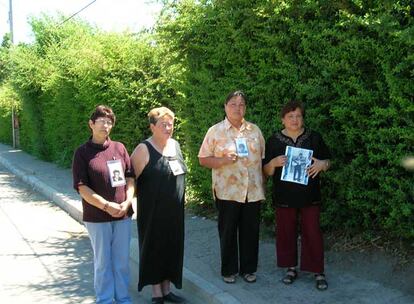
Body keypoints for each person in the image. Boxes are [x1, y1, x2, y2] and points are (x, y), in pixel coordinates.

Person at [263, 100, 331, 291]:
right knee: (286, 232)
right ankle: (290, 268)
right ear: (283, 119)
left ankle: (317, 270)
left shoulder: (314, 137)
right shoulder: (273, 140)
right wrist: (273, 163)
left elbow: (328, 161)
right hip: (284, 196)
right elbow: (266, 171)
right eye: (290, 116)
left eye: (298, 116)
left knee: (313, 232)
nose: (294, 120)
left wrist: (322, 165)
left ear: (303, 118)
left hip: (310, 195)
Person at [198, 90, 265, 284]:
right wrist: (222, 160)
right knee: (228, 232)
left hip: (252, 191)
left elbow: (262, 160)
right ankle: (229, 270)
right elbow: (203, 159)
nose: (237, 107)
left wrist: (263, 186)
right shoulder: (215, 131)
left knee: (250, 232)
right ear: (225, 107)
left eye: (241, 104)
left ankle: (249, 269)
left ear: (245, 108)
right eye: (233, 104)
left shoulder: (254, 130)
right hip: (227, 191)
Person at [72, 105, 135, 304]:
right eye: (102, 122)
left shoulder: (119, 148)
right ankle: (105, 299)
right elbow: (82, 188)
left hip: (123, 215)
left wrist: (127, 201)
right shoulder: (82, 153)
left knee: (122, 262)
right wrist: (107, 206)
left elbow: (130, 177)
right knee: (103, 263)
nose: (106, 126)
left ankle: (123, 298)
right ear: (91, 124)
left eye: (109, 122)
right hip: (98, 218)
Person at [131, 107, 186, 304]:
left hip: (175, 211)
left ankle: (167, 289)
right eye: (163, 124)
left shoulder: (175, 145)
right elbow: (131, 181)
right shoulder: (143, 149)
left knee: (172, 247)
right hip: (153, 211)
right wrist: (127, 204)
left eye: (171, 124)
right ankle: (156, 293)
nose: (168, 127)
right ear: (152, 127)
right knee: (154, 247)